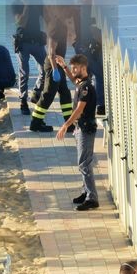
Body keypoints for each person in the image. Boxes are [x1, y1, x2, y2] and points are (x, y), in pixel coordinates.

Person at [57, 52, 99, 211]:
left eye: (75, 68)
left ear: (83, 68)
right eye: (72, 68)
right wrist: (64, 66)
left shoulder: (86, 87)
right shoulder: (81, 83)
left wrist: (65, 125)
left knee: (84, 164)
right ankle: (85, 191)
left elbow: (79, 110)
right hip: (80, 128)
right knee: (82, 162)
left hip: (86, 128)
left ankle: (92, 198)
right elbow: (73, 80)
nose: (73, 72)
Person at [10, 0, 47, 115]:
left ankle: (36, 92)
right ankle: (23, 100)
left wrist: (49, 33)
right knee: (24, 72)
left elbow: (46, 18)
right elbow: (21, 23)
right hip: (23, 42)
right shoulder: (16, 4)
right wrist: (26, 6)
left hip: (37, 41)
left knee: (45, 69)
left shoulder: (38, 1)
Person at [28, 34, 74, 133]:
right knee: (48, 94)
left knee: (65, 94)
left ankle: (69, 124)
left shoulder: (61, 27)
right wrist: (55, 70)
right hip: (54, 66)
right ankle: (35, 123)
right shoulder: (56, 30)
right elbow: (51, 52)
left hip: (58, 65)